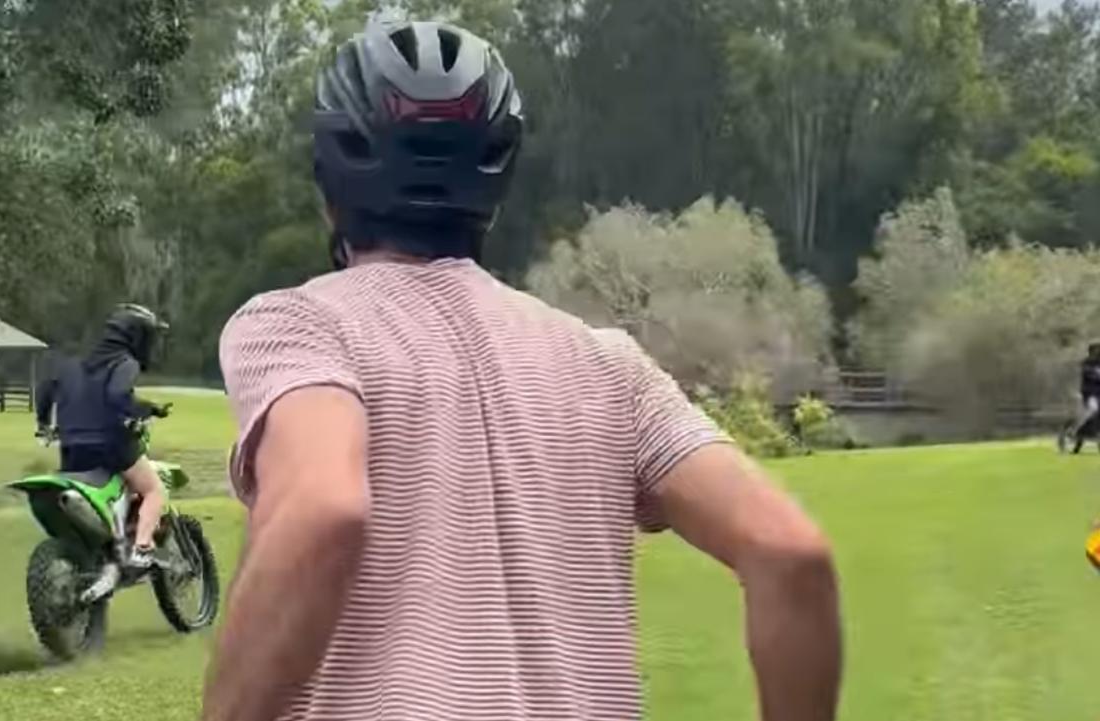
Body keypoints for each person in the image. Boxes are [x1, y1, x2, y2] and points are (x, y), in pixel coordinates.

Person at [203, 19, 842, 721]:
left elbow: (322, 509)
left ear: (329, 182)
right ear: (495, 183)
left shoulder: (299, 326)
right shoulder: (608, 364)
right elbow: (791, 553)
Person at [35, 303, 171, 568]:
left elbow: (45, 388)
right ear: (136, 335)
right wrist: (146, 409)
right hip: (111, 445)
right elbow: (118, 395)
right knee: (154, 490)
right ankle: (142, 548)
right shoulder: (124, 362)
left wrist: (43, 424)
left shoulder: (74, 362)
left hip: (72, 447)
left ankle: (107, 548)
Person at [1072, 343, 1100, 453]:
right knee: (1094, 410)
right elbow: (1091, 375)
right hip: (1089, 394)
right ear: (1091, 352)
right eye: (1097, 350)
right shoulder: (1086, 364)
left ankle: (1094, 432)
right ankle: (1079, 430)